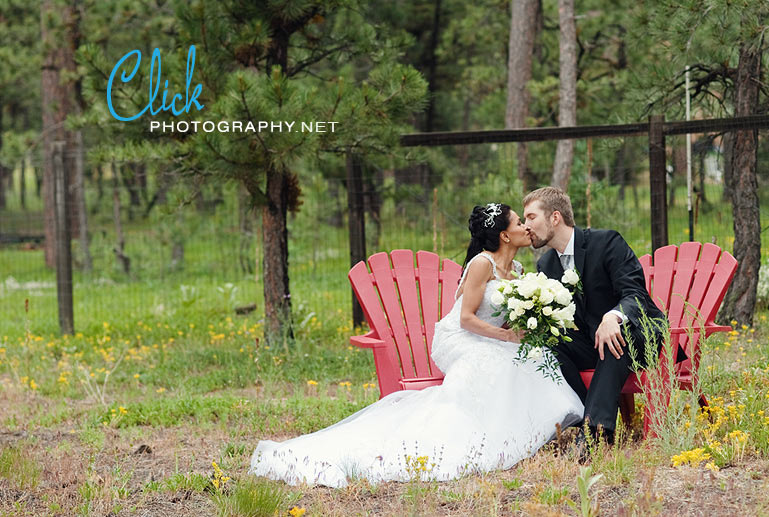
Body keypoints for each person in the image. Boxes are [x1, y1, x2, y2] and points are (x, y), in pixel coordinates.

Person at [249, 203, 583, 487]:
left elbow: (505, 317)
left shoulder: (519, 269)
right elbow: (467, 318)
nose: (527, 227)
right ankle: (485, 436)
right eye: (519, 222)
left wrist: (528, 324)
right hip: (464, 338)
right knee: (500, 360)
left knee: (532, 359)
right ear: (504, 235)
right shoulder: (482, 263)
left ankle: (532, 432)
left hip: (491, 334)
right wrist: (508, 337)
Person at [522, 187, 668, 444]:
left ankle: (596, 434)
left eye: (531, 217)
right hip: (592, 342)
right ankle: (583, 418)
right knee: (547, 344)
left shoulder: (606, 242)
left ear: (555, 217)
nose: (526, 226)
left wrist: (613, 317)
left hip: (639, 337)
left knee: (615, 337)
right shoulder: (546, 265)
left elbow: (635, 293)